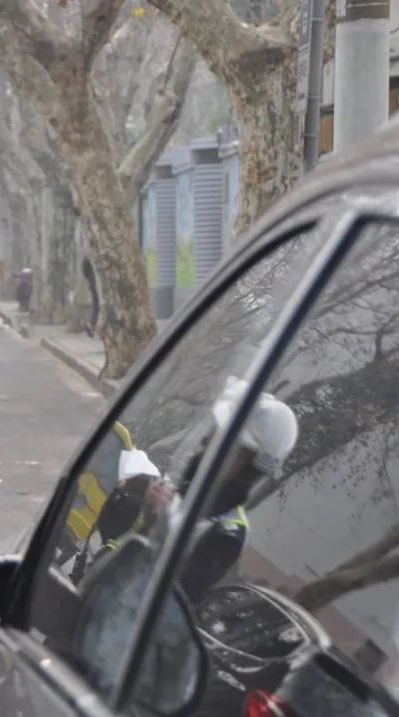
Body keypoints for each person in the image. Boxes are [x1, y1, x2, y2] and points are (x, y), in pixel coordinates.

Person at [90, 376, 299, 602]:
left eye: (230, 447)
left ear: (250, 468)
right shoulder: (185, 488)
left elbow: (170, 598)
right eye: (217, 435)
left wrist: (160, 525)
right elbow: (123, 549)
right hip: (97, 592)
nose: (212, 447)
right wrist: (148, 514)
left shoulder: (227, 533)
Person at [81, 256, 99, 338]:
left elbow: (84, 270)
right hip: (98, 284)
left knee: (96, 306)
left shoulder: (88, 255)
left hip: (93, 283)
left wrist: (89, 278)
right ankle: (92, 324)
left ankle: (91, 324)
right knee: (97, 306)